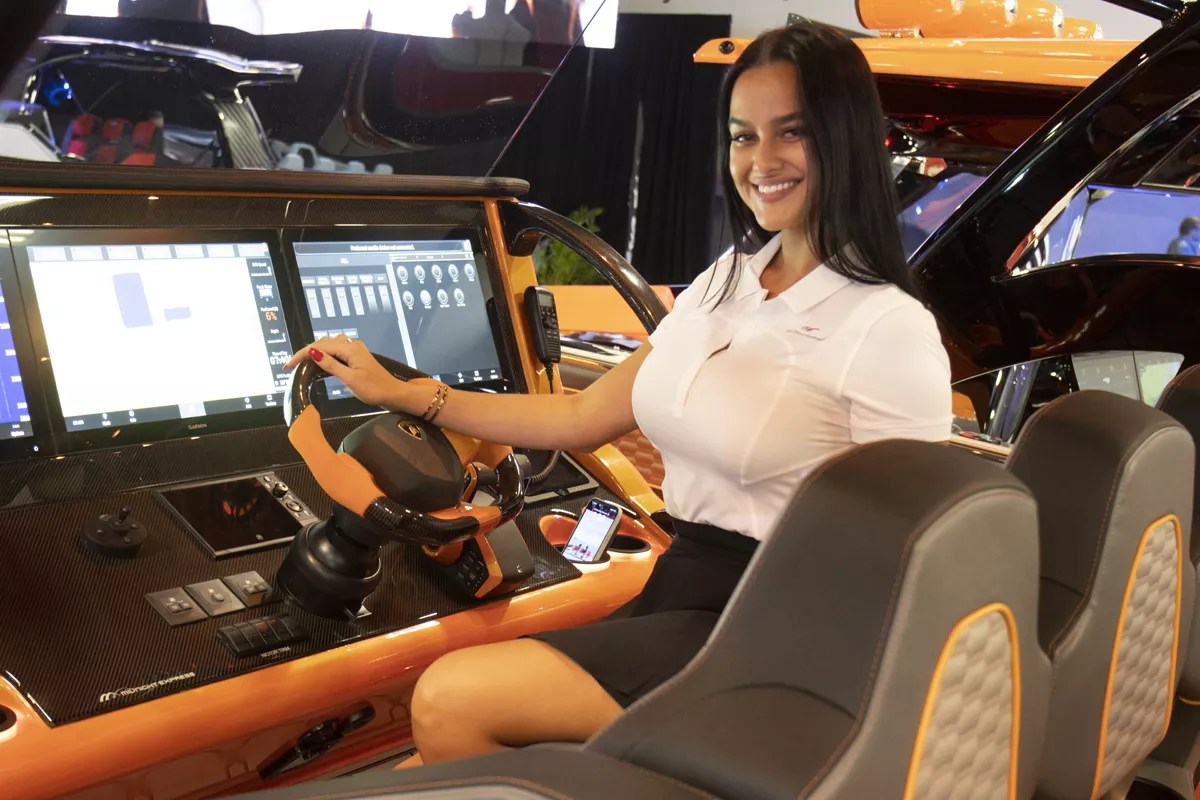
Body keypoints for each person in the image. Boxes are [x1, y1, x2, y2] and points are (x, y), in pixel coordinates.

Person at [284, 22, 952, 766]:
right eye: (742, 136)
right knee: (426, 761)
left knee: (451, 698)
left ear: (845, 138)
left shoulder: (888, 327)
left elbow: (926, 549)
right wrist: (412, 394)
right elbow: (580, 415)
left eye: (790, 132)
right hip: (685, 587)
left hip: (787, 627)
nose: (761, 161)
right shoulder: (726, 281)